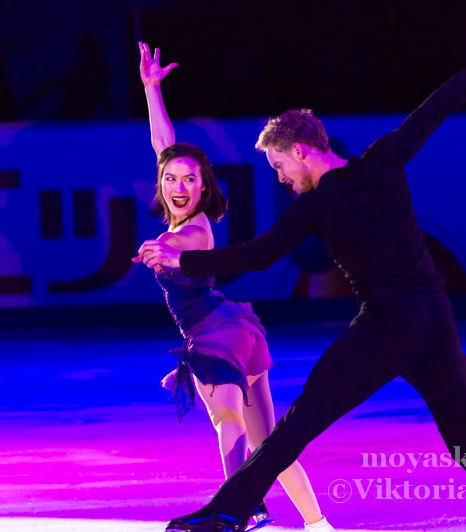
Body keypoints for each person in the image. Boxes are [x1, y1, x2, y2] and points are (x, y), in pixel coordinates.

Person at [137, 32, 466, 532]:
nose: (282, 177)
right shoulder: (383, 160)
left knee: (299, 423)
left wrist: (184, 264)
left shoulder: (314, 204)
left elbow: (261, 255)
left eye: (280, 165)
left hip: (384, 327)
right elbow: (434, 109)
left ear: (302, 150)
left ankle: (224, 513)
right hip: (433, 318)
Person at [134, 42, 335, 532]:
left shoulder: (194, 228)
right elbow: (165, 146)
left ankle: (242, 509)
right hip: (238, 326)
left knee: (225, 417)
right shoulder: (179, 197)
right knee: (270, 445)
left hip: (213, 331)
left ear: (204, 188)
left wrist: (166, 248)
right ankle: (318, 523)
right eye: (172, 178)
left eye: (190, 179)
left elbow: (186, 242)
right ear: (162, 183)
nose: (179, 185)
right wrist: (151, 89)